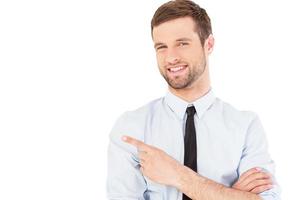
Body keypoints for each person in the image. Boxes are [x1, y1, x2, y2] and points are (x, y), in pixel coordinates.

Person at [106, 0, 281, 199]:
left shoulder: (246, 126)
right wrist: (231, 194)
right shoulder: (132, 128)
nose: (171, 57)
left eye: (182, 43)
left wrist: (178, 176)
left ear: (209, 44)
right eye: (161, 47)